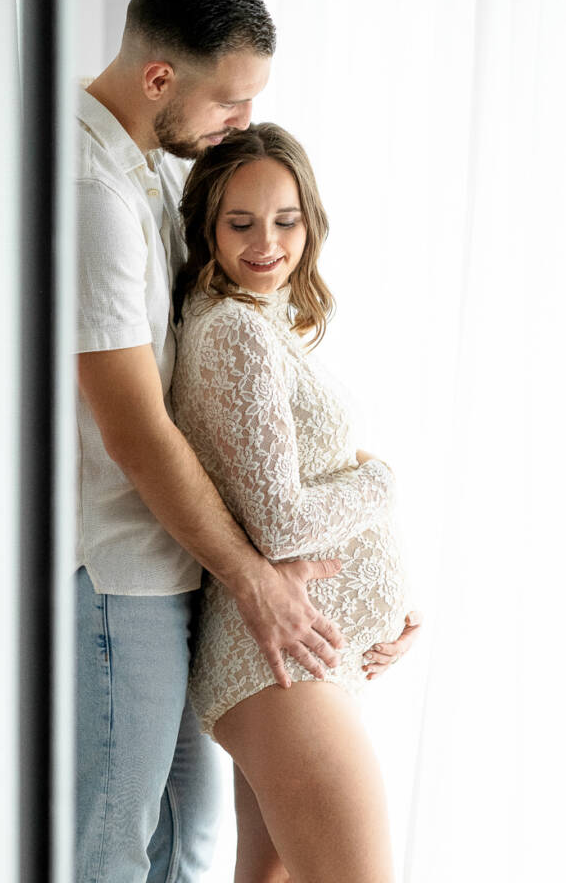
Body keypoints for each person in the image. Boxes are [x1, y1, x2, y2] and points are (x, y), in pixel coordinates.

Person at [75, 0, 421, 882]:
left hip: (202, 589)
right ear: (160, 80)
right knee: (117, 848)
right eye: (231, 104)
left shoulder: (148, 169)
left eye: (288, 222)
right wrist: (381, 486)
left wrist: (376, 586)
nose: (239, 123)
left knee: (182, 853)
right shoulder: (94, 196)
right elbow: (138, 430)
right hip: (136, 574)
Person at [171, 122, 419, 883]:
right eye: (240, 223)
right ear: (208, 228)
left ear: (311, 219)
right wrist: (382, 480)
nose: (266, 243)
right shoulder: (236, 333)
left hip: (293, 660)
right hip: (277, 666)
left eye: (286, 219)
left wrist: (384, 600)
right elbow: (280, 523)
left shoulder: (261, 324)